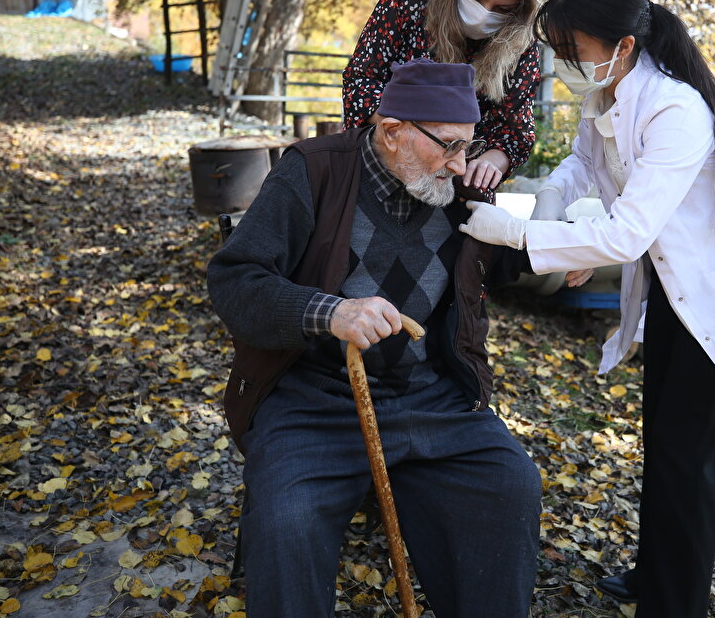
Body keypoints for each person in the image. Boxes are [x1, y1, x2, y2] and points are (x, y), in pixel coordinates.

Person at [459, 0, 715, 617]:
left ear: (624, 45)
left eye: (573, 50)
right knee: (662, 439)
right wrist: (550, 205)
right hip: (670, 292)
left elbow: (627, 233)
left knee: (686, 458)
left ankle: (675, 601)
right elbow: (581, 163)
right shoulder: (608, 92)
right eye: (559, 50)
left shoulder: (676, 111)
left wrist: (520, 234)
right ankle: (653, 573)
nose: (565, 64)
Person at [209, 59, 542, 618]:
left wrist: (563, 252)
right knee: (287, 518)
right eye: (451, 146)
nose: (462, 164)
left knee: (510, 485)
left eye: (469, 146)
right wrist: (330, 312)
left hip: (432, 398)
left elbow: (496, 261)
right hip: (316, 400)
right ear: (391, 131)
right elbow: (235, 280)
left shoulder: (455, 186)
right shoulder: (313, 171)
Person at [342, 0, 544, 196]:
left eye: (502, 9)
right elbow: (361, 82)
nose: (484, 13)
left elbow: (516, 132)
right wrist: (413, 139)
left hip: (458, 181)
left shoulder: (522, 41)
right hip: (387, 167)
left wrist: (491, 162)